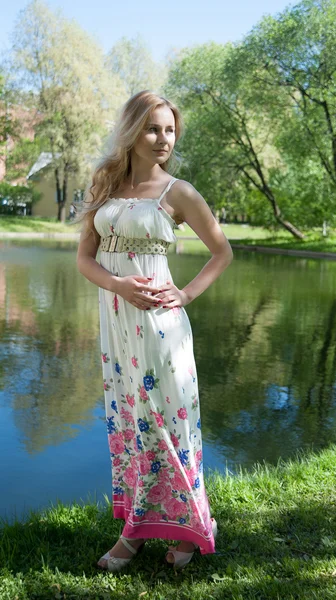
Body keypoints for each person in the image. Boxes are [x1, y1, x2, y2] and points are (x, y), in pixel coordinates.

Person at [76, 90, 233, 571]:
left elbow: (221, 253)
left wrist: (183, 295)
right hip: (118, 324)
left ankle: (176, 530)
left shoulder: (178, 192)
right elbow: (84, 259)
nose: (163, 138)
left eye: (169, 129)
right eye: (153, 128)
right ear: (132, 131)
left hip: (162, 327)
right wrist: (119, 284)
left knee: (168, 424)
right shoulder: (105, 182)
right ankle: (144, 523)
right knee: (131, 422)